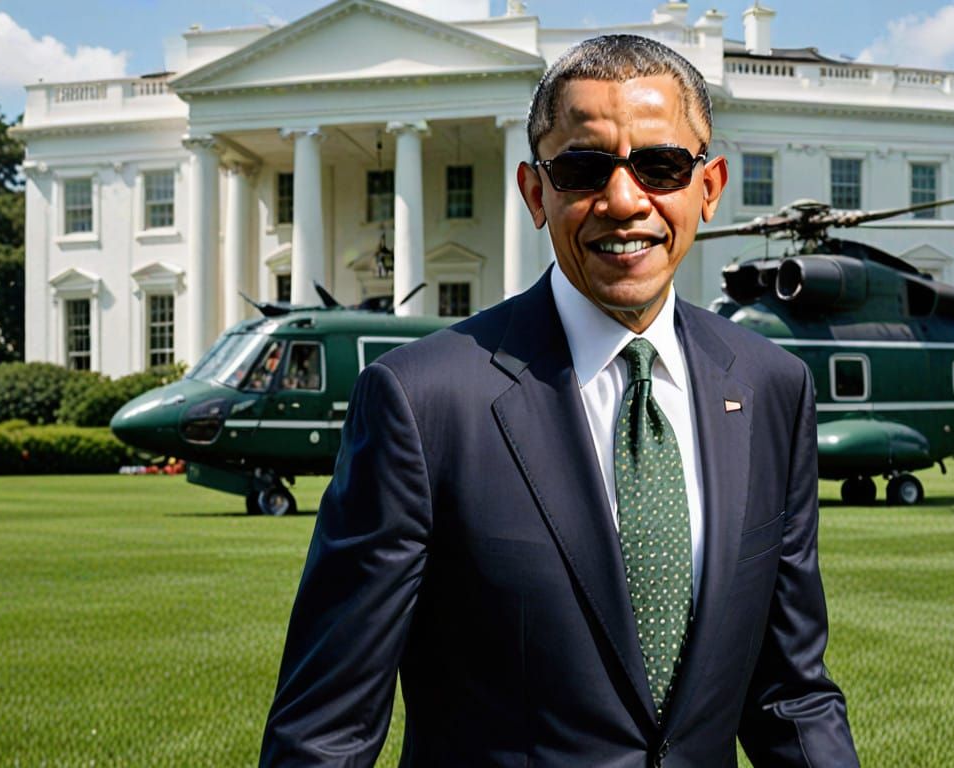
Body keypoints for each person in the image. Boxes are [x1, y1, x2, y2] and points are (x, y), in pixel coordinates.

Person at [261, 34, 858, 767]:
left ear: (709, 187)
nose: (623, 200)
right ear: (536, 193)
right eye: (583, 169)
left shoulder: (771, 388)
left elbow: (790, 695)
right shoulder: (423, 402)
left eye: (661, 166)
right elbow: (326, 732)